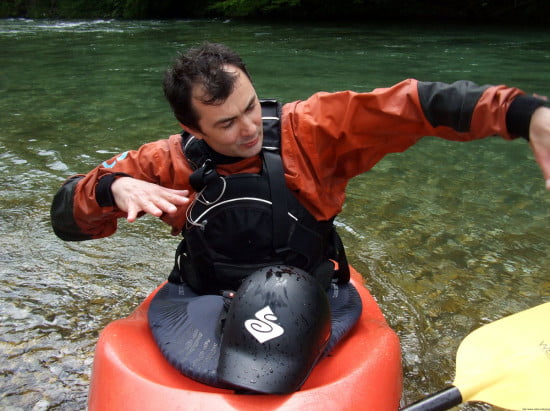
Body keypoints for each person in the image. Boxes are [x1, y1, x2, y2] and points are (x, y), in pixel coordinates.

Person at [50, 42, 550, 392]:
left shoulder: (311, 130)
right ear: (190, 126)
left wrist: (525, 115)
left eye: (250, 107)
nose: (248, 128)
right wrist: (111, 188)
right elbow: (66, 216)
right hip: (203, 302)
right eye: (226, 123)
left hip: (310, 298)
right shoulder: (165, 162)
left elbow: (414, 107)